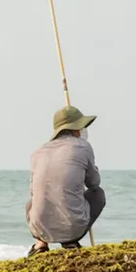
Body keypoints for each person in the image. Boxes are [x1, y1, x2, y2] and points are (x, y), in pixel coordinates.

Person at [26, 104, 106, 254]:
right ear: (76, 128)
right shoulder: (83, 147)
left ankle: (40, 244)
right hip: (73, 228)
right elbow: (94, 183)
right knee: (98, 194)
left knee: (32, 203)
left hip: (38, 227)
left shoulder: (38, 152)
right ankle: (70, 241)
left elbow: (33, 192)